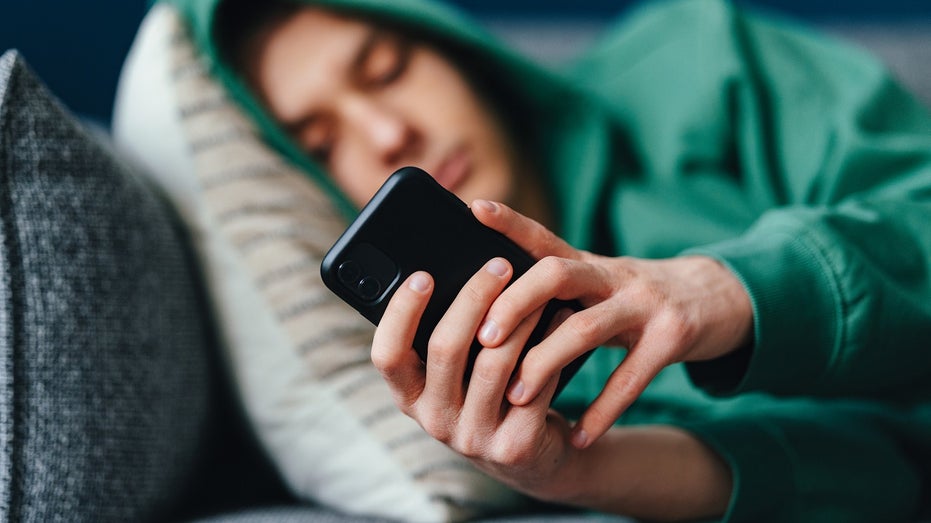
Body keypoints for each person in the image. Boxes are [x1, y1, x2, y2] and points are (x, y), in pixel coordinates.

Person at [168, 0, 931, 520]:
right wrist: (577, 473)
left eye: (386, 66)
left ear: (450, 45)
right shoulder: (501, 375)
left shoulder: (702, 58)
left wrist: (718, 290)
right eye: (321, 146)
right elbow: (882, 475)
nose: (386, 132)